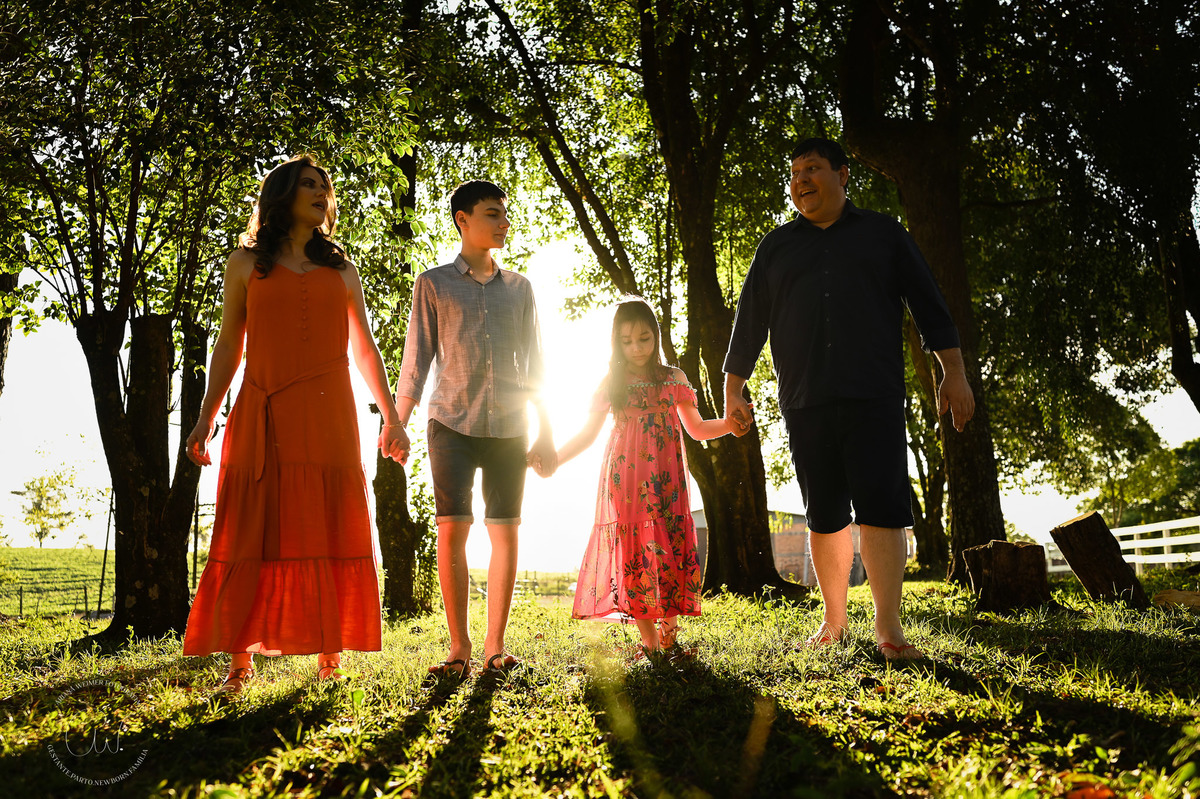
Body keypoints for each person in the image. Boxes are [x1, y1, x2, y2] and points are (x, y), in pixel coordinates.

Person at [722, 137, 975, 661]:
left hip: (874, 394)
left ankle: (889, 628)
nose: (801, 181)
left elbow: (929, 303)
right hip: (805, 399)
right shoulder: (774, 248)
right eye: (794, 174)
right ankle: (833, 622)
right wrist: (733, 388)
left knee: (882, 508)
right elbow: (749, 323)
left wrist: (953, 372)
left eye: (812, 169)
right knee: (824, 513)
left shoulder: (884, 234)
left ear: (841, 175)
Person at [182, 155, 404, 693]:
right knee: (252, 525)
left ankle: (330, 657)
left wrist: (392, 417)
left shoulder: (342, 268)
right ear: (282, 195)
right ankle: (239, 664)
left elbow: (365, 349)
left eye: (326, 187)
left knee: (326, 522)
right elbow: (229, 346)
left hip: (328, 413)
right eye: (310, 184)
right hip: (263, 410)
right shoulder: (245, 263)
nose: (322, 193)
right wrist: (205, 419)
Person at [390, 180, 555, 681]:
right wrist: (398, 422)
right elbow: (416, 361)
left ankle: (495, 646)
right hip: (451, 425)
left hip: (510, 428)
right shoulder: (433, 284)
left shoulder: (520, 288)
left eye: (504, 213)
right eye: (491, 214)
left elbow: (537, 365)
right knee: (453, 529)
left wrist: (546, 431)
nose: (503, 222)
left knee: (505, 531)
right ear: (463, 220)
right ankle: (458, 647)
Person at [553, 299, 734, 657]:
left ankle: (670, 630)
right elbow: (587, 435)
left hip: (667, 479)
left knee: (668, 546)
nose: (636, 348)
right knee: (633, 553)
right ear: (616, 342)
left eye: (644, 338)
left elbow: (696, 429)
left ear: (656, 336)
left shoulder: (673, 379)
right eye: (626, 341)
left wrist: (729, 424)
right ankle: (649, 639)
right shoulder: (613, 383)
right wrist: (554, 459)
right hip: (626, 479)